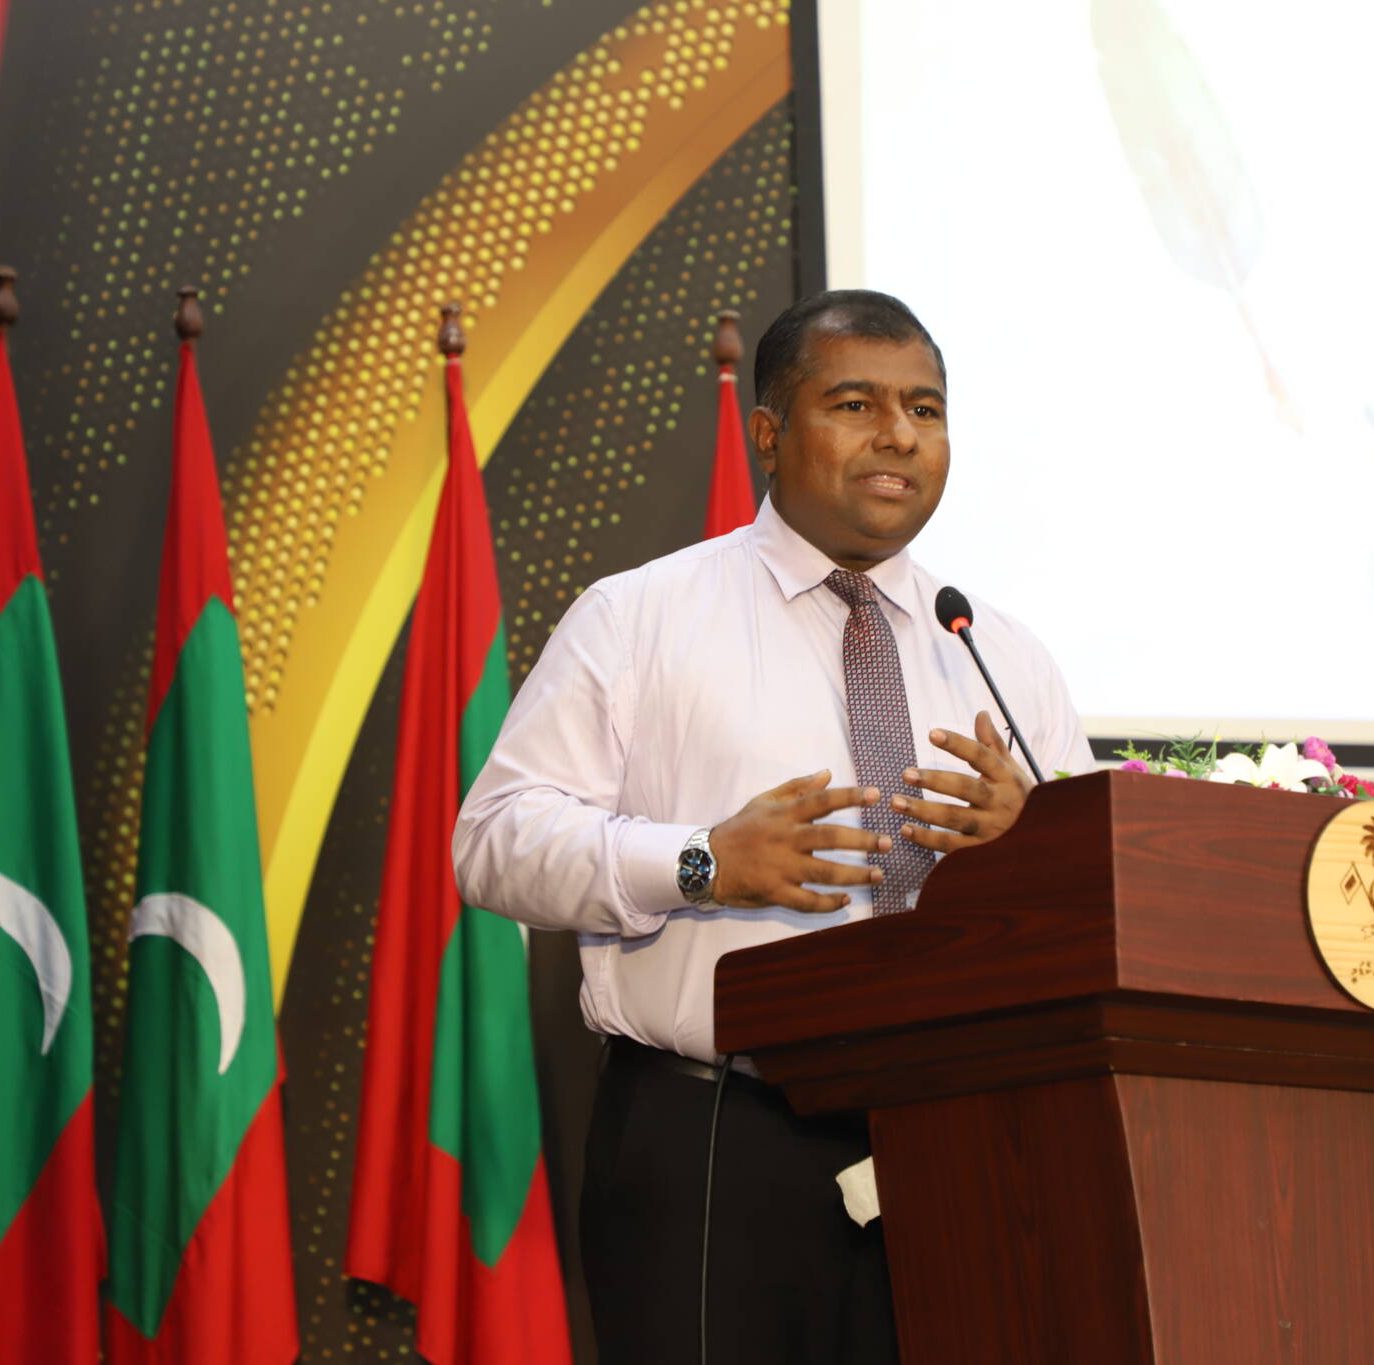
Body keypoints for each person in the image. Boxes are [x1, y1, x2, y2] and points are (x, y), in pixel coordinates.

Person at [453, 289, 1096, 1364]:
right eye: (855, 404)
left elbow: (1087, 904)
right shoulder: (641, 617)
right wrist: (702, 861)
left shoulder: (994, 650)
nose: (898, 435)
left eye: (925, 410)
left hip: (961, 1138)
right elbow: (496, 841)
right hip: (721, 1140)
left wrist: (1028, 847)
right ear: (767, 431)